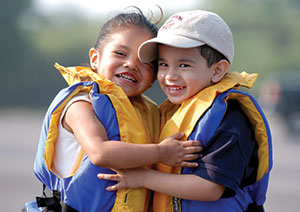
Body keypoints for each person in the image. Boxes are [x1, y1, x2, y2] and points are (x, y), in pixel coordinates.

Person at [24, 8, 202, 212]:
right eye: (120, 53)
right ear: (95, 58)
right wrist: (162, 152)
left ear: (153, 78)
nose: (131, 64)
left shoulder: (148, 114)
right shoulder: (80, 103)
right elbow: (100, 152)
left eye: (145, 62)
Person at [97, 10, 273, 212]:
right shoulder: (174, 112)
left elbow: (211, 188)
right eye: (163, 64)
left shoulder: (229, 118)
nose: (170, 76)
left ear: (217, 70)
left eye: (184, 65)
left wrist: (144, 177)